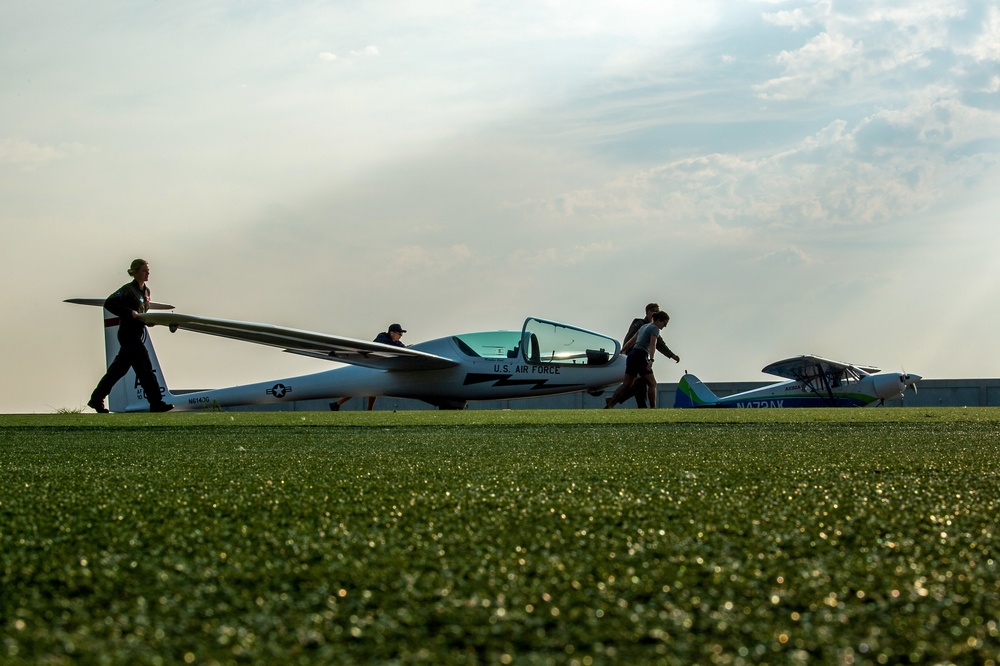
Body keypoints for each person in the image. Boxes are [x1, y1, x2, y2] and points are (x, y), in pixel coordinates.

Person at [87, 259, 173, 413]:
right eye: (144, 270)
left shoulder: (146, 292)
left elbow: (141, 313)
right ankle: (156, 402)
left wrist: (148, 321)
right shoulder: (127, 290)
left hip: (137, 334)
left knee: (118, 370)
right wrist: (129, 313)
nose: (147, 273)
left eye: (148, 270)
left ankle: (96, 399)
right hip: (128, 335)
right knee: (145, 367)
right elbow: (109, 303)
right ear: (135, 272)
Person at [330, 323, 407, 411]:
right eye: (399, 334)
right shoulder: (382, 337)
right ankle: (337, 404)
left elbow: (400, 346)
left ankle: (338, 404)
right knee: (363, 388)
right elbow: (387, 344)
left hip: (373, 366)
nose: (400, 336)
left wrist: (405, 347)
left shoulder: (395, 342)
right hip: (367, 365)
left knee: (373, 388)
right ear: (392, 333)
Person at [605, 310, 672, 409]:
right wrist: (651, 360)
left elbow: (632, 341)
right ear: (659, 320)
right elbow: (653, 344)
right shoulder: (655, 328)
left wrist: (622, 351)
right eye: (664, 323)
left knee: (626, 385)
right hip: (641, 355)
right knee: (652, 383)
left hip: (632, 355)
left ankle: (610, 405)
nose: (665, 326)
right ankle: (653, 408)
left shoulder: (643, 327)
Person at [620, 303, 680, 408]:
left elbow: (659, 344)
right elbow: (630, 339)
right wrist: (624, 351)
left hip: (640, 357)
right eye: (653, 311)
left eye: (657, 311)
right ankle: (645, 407)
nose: (656, 313)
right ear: (648, 312)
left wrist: (671, 355)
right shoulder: (640, 324)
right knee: (641, 384)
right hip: (635, 356)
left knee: (637, 384)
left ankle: (614, 400)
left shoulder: (653, 328)